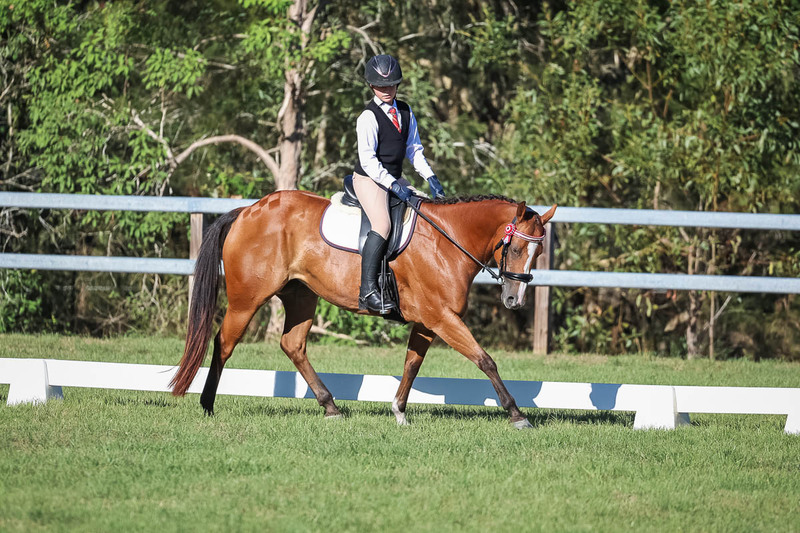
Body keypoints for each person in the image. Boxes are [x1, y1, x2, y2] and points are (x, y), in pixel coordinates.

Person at [353, 54, 446, 314]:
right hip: (370, 179)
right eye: (380, 86)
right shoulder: (367, 117)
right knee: (382, 225)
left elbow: (414, 149)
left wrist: (431, 178)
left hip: (394, 177)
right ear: (371, 85)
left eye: (391, 85)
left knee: (424, 210)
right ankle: (367, 290)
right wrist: (393, 185)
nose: (386, 90)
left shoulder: (405, 111)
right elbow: (368, 161)